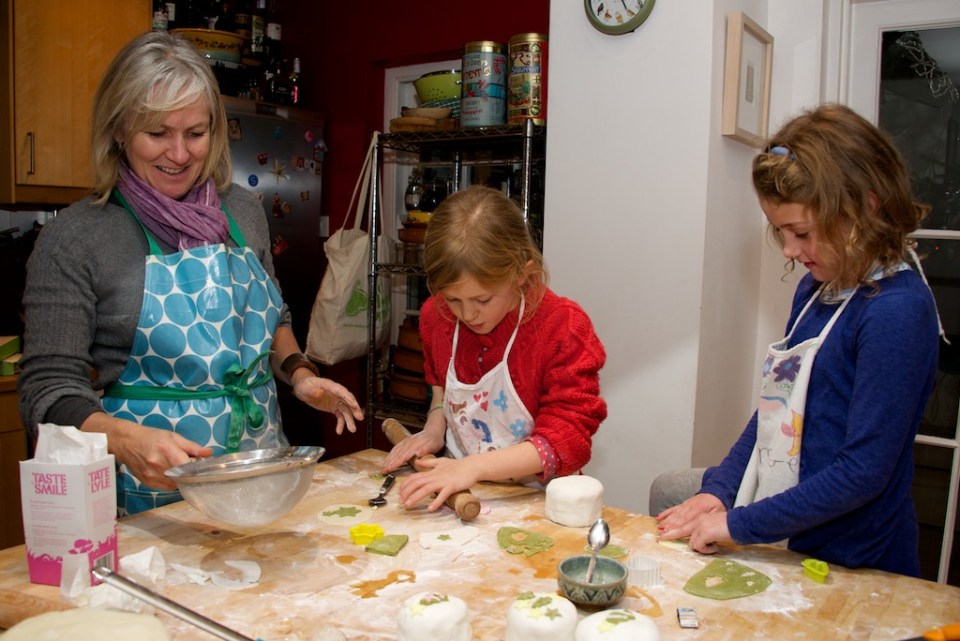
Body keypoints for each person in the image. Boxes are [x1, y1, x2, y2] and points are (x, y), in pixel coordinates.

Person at [17, 31, 363, 516]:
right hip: (150, 495)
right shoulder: (77, 238)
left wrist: (300, 374)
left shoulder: (242, 212)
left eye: (195, 134)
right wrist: (126, 441)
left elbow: (272, 319)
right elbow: (48, 389)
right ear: (118, 130)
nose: (179, 155)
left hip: (258, 473)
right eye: (157, 133)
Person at [654, 103, 942, 576]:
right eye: (780, 231)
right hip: (797, 532)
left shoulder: (896, 312)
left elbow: (862, 473)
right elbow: (777, 408)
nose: (789, 250)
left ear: (866, 206)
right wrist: (719, 490)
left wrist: (739, 524)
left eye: (801, 232)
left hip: (859, 559)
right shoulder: (817, 288)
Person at [381, 185, 607, 510]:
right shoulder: (437, 316)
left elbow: (567, 438)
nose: (467, 314)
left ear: (521, 273)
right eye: (453, 298)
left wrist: (471, 468)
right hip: (460, 496)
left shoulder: (563, 327)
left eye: (482, 299)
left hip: (541, 505)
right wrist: (434, 429)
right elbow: (441, 389)